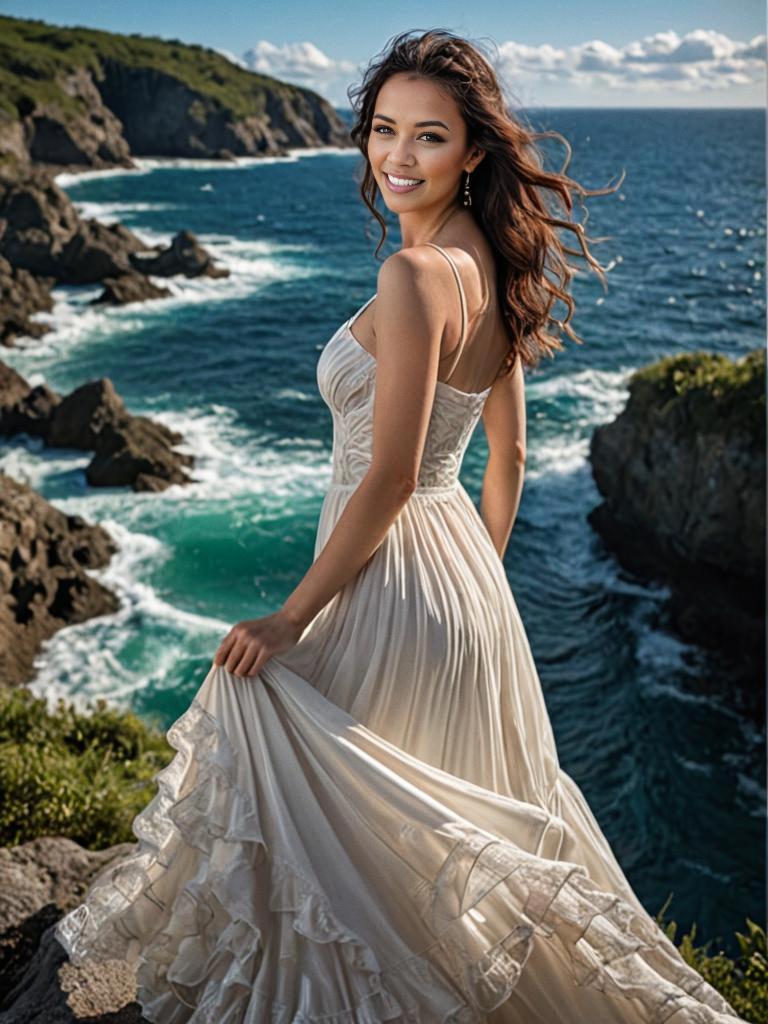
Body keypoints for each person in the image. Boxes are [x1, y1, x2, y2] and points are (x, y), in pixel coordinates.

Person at [54, 28, 747, 1024]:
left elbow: (385, 476)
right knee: (420, 842)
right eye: (384, 130)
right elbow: (503, 461)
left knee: (282, 739)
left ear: (472, 153)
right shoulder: (495, 273)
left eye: (428, 136)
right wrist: (481, 580)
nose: (396, 157)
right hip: (461, 580)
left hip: (394, 565)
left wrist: (288, 616)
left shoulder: (416, 279)